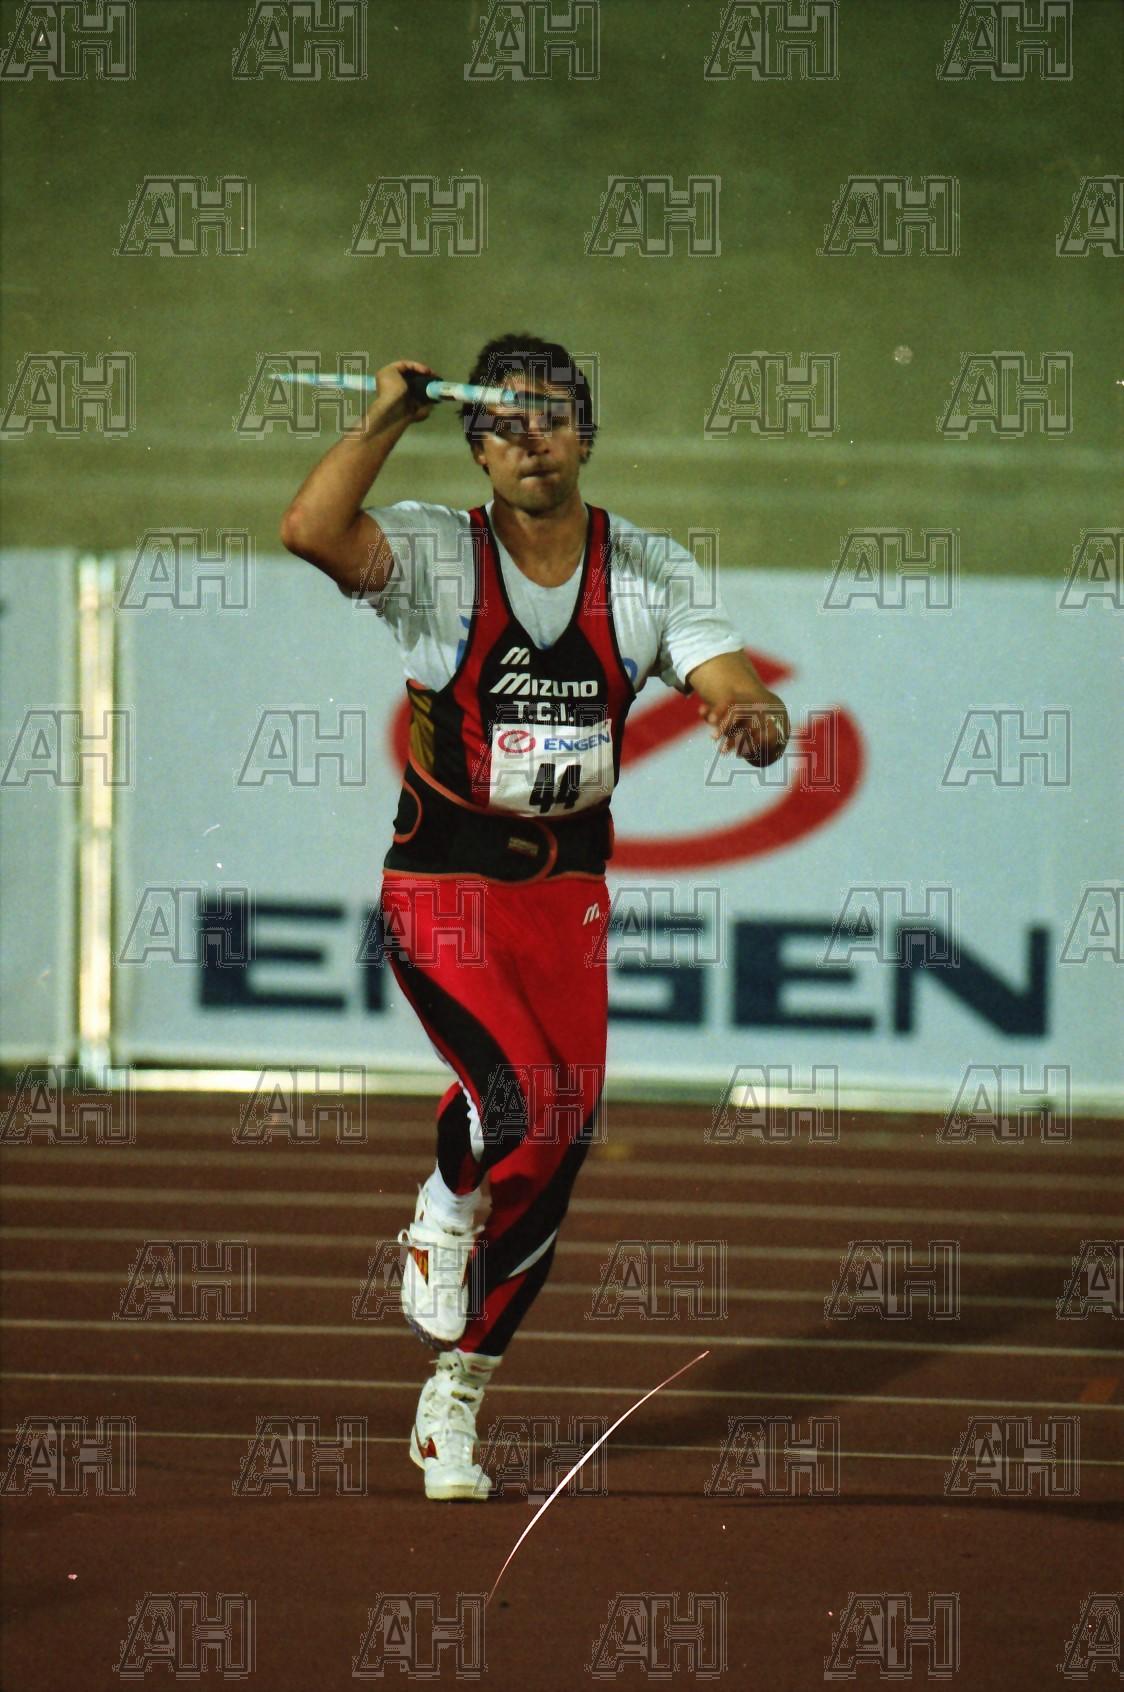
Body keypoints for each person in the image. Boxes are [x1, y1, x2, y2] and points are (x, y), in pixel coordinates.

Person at [280, 334, 789, 1500]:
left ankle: (455, 1394)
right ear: (475, 448)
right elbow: (310, 530)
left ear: (585, 433)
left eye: (551, 417)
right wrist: (382, 420)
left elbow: (732, 684)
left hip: (565, 896)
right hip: (445, 883)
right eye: (503, 424)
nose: (530, 441)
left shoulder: (646, 570)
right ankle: (446, 1199)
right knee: (512, 1099)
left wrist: (752, 720)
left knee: (556, 1143)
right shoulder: (432, 554)